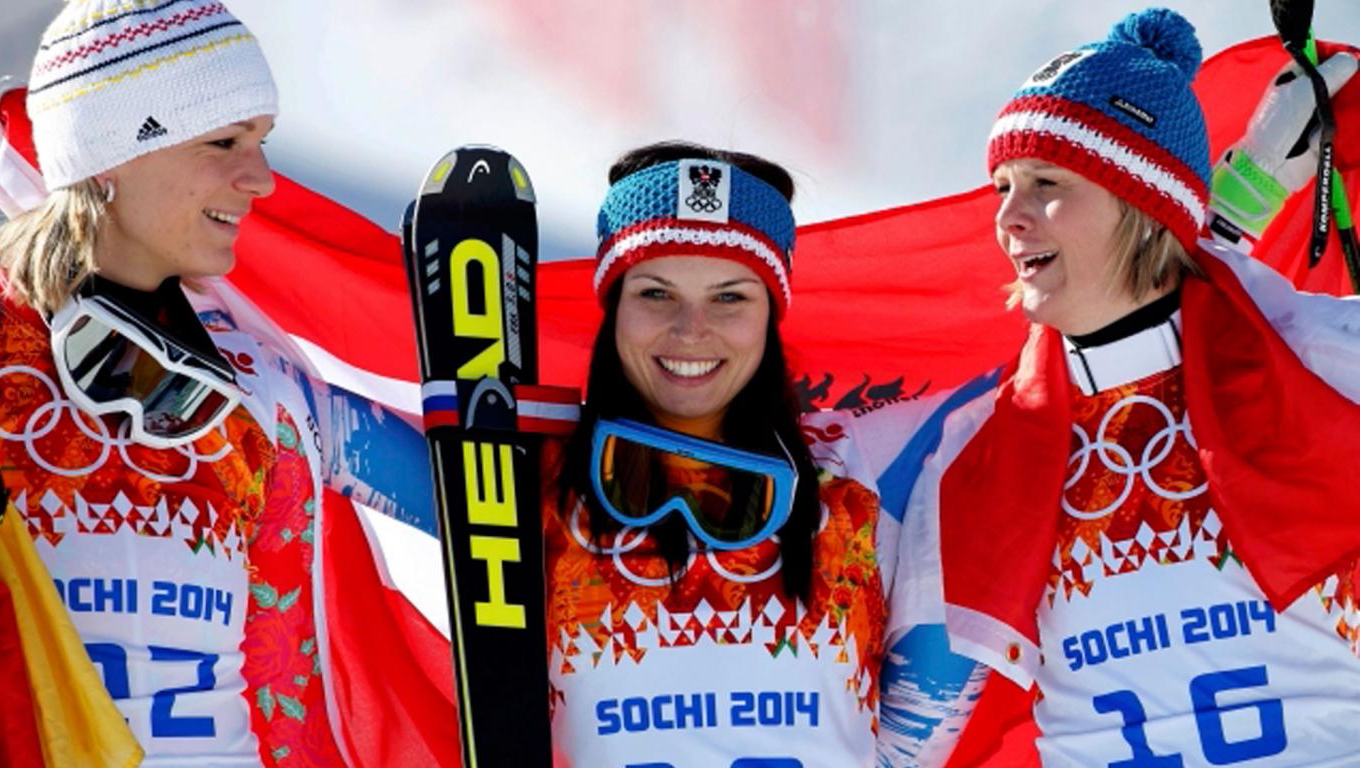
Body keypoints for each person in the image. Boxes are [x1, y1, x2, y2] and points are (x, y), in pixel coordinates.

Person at [864, 8, 1360, 765]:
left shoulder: (1323, 364)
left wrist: (1238, 201)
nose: (1007, 218)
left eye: (1045, 183)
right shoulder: (976, 455)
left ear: (1141, 205)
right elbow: (908, 743)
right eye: (1002, 187)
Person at [0, 2, 423, 764]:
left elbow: (476, 498)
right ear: (110, 155)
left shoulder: (260, 388)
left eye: (261, 142)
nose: (260, 180)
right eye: (223, 141)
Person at [545, 141, 966, 767]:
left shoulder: (865, 465)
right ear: (614, 309)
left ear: (771, 313)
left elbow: (1038, 390)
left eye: (730, 297)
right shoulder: (532, 477)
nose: (690, 329)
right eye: (656, 294)